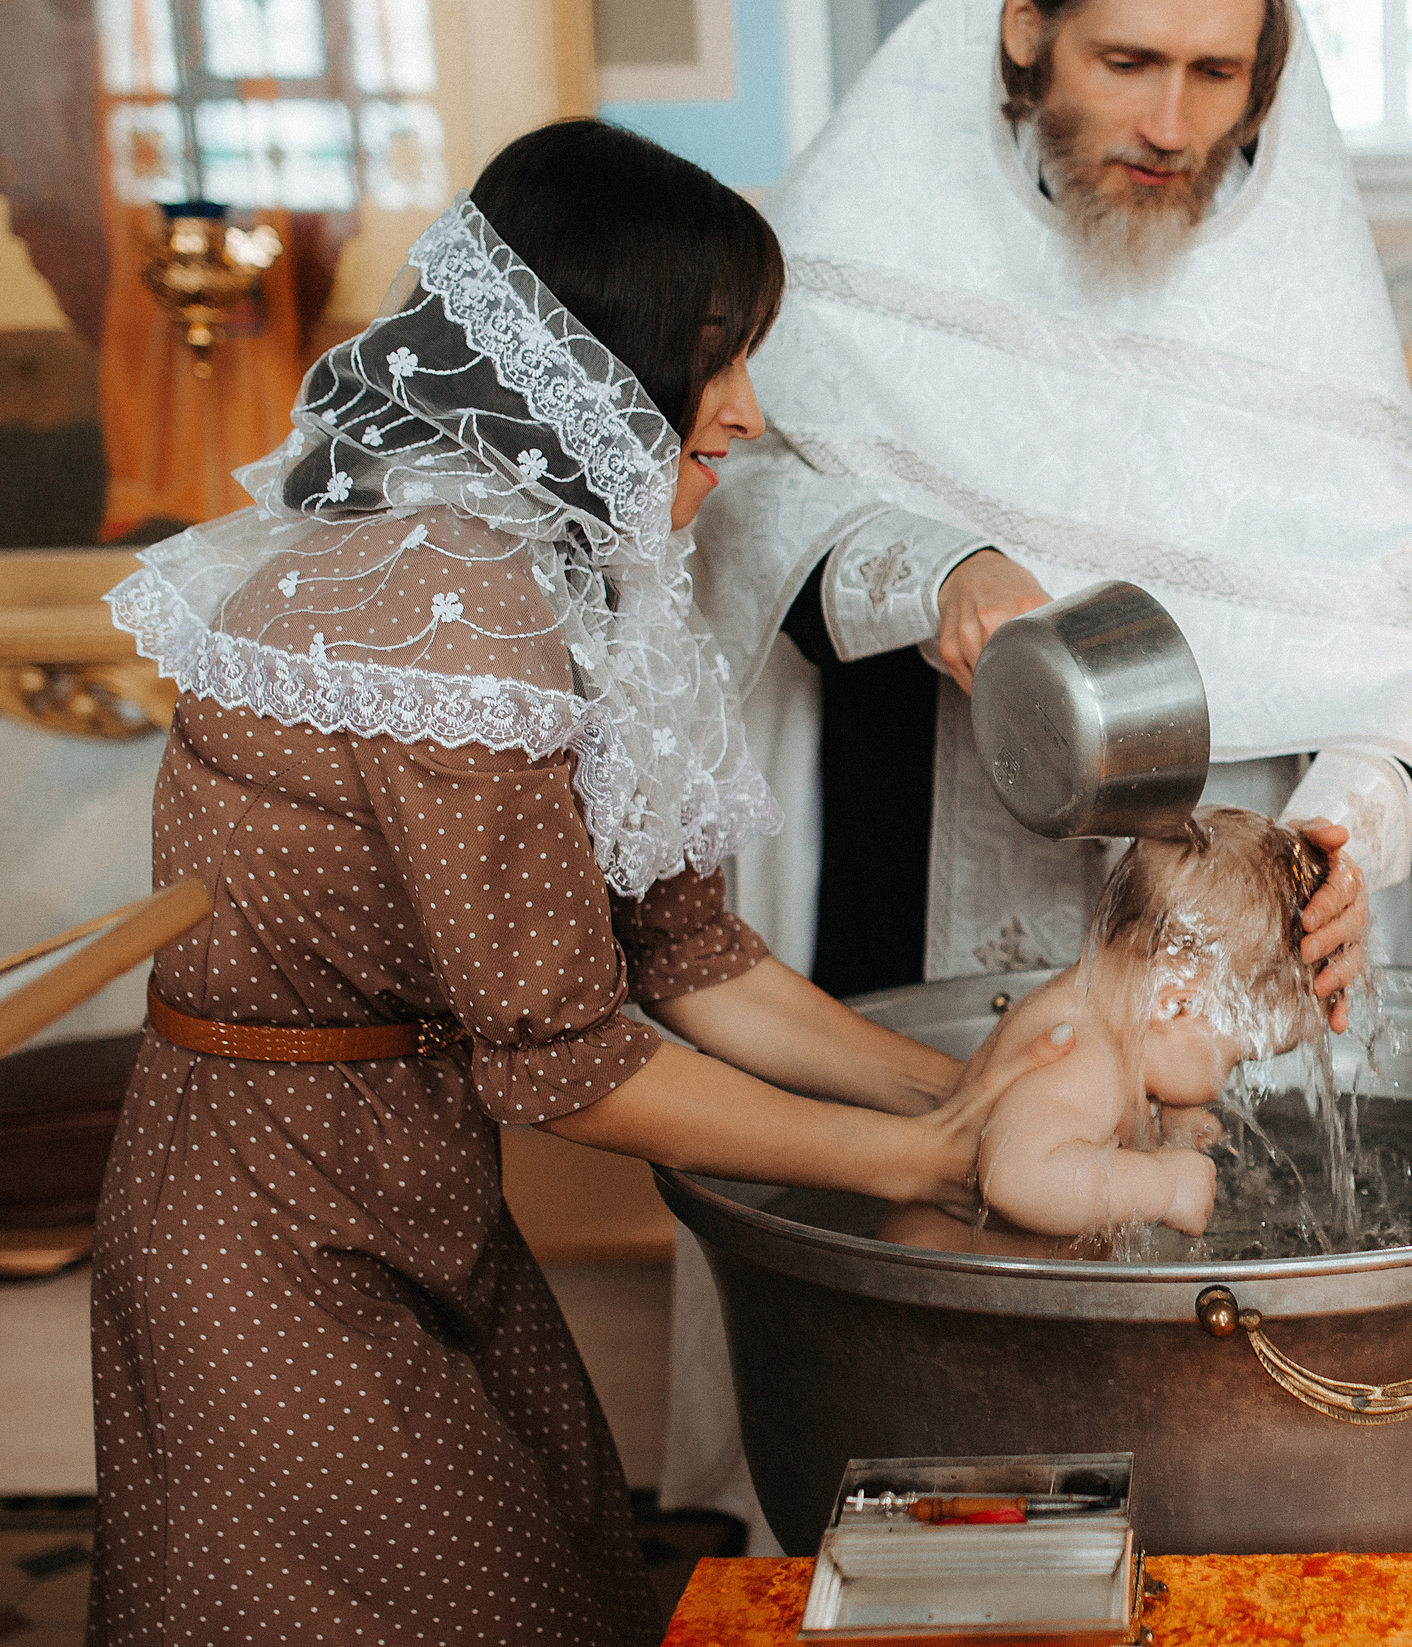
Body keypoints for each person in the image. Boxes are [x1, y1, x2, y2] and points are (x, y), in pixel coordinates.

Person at [90, 121, 1074, 1646]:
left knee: (545, 1581)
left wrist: (959, 1089)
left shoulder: (557, 570)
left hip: (413, 1187)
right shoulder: (439, 595)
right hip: (266, 1230)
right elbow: (569, 1061)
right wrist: (926, 1162)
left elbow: (692, 956)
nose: (744, 417)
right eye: (718, 360)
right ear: (591, 363)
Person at [694, 0, 1412, 1011]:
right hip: (915, 844)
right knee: (928, 1151)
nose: (1171, 125)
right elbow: (734, 488)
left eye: (1216, 75)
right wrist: (941, 566)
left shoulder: (1297, 299)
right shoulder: (873, 226)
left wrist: (1344, 831)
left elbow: (1408, 637)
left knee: (1216, 1174)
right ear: (1026, 22)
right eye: (1127, 62)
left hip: (1219, 901)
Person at [880, 806, 1323, 1253]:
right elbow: (1015, 1177)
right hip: (952, 1288)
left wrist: (1158, 1127)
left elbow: (1075, 1131)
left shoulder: (1100, 1013)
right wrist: (1162, 1185)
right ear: (1176, 1004)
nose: (1226, 1081)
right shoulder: (1084, 1056)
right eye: (1234, 1058)